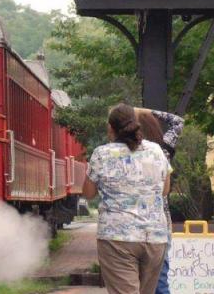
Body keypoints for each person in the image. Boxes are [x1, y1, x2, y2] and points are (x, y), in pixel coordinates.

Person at [83, 104, 172, 294]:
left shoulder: (101, 154)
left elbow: (88, 193)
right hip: (154, 238)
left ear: (111, 127)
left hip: (117, 239)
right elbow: (165, 190)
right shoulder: (156, 151)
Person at [136, 108, 185, 294]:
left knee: (138, 280)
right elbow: (178, 121)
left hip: (134, 223)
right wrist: (148, 111)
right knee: (160, 277)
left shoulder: (127, 151)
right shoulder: (164, 147)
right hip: (161, 222)